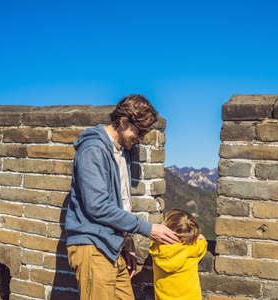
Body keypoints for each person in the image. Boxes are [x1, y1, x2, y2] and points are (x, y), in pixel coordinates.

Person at [65, 94, 180, 300]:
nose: (142, 138)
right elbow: (97, 206)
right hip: (93, 247)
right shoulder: (93, 150)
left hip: (112, 247)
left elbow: (121, 202)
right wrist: (148, 229)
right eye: (140, 131)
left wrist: (126, 242)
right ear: (123, 122)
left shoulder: (121, 151)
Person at [149, 209, 207, 300]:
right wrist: (197, 238)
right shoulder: (194, 248)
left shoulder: (157, 249)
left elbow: (152, 244)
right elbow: (203, 243)